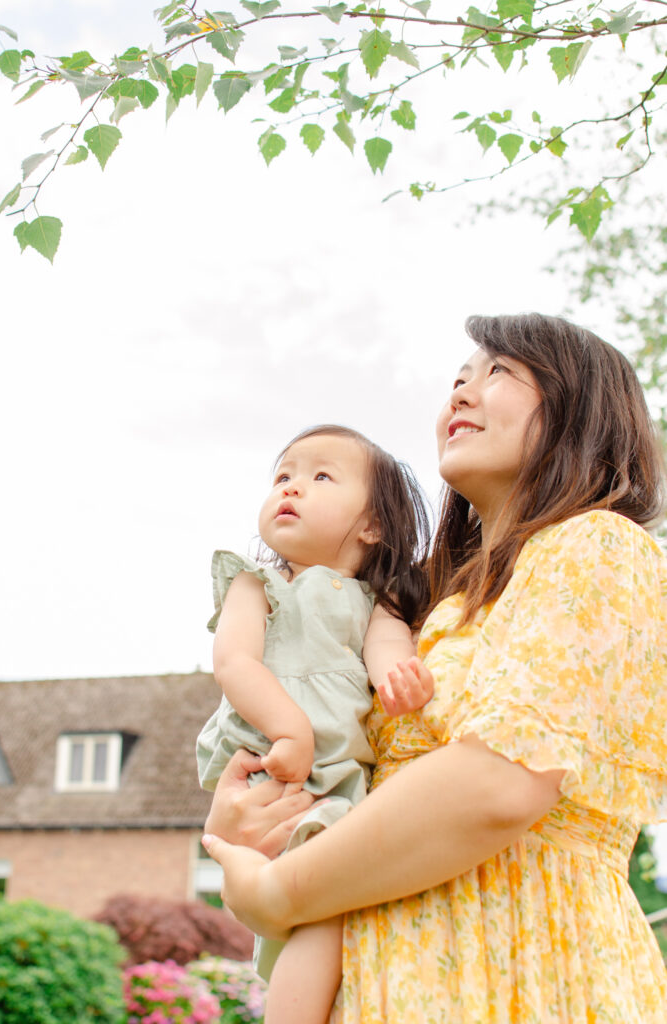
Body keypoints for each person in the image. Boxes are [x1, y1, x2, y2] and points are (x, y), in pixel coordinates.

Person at [202, 313, 667, 1023]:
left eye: (499, 372)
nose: (461, 393)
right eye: (457, 379)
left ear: (581, 406)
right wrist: (248, 815)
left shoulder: (598, 547)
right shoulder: (422, 604)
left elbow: (502, 780)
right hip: (383, 983)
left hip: (527, 969)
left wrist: (279, 892)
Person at [196, 424, 435, 1024]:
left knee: (330, 918)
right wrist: (291, 729)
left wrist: (399, 680)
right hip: (282, 770)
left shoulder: (378, 600)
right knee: (319, 914)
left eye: (319, 477)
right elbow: (234, 662)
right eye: (283, 476)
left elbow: (387, 646)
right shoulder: (258, 585)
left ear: (372, 526)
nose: (291, 488)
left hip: (343, 782)